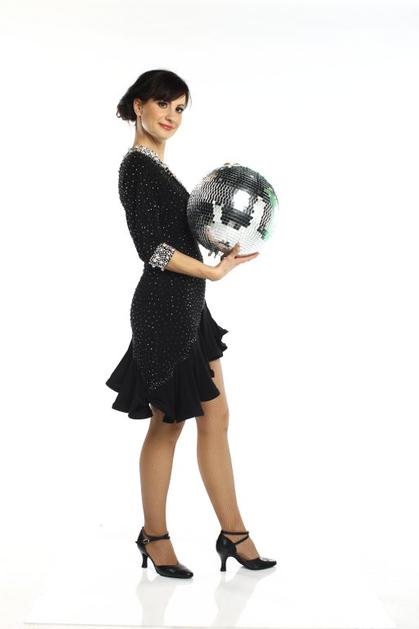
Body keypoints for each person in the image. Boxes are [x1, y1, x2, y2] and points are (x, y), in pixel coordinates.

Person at [106, 69, 276, 578]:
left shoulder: (158, 167)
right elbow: (154, 251)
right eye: (163, 104)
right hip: (163, 310)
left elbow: (180, 232)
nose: (172, 116)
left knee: (217, 418)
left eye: (180, 108)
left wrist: (216, 219)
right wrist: (212, 272)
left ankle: (233, 534)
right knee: (169, 423)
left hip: (190, 307)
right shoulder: (136, 169)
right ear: (139, 106)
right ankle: (155, 537)